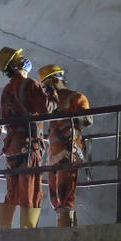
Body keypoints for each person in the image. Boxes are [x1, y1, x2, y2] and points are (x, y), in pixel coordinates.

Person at [0, 46, 51, 229]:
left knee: (12, 192)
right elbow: (46, 110)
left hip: (11, 148)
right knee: (31, 192)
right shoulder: (29, 85)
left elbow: (1, 116)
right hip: (28, 147)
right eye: (20, 57)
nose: (24, 59)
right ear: (16, 63)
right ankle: (26, 240)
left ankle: (3, 233)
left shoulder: (7, 90)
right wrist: (51, 94)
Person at [37, 64, 91, 227]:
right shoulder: (50, 103)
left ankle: (66, 233)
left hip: (69, 150)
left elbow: (87, 120)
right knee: (54, 194)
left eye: (46, 85)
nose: (45, 90)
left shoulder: (76, 97)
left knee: (64, 192)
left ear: (55, 80)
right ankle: (65, 230)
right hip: (53, 154)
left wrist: (66, 117)